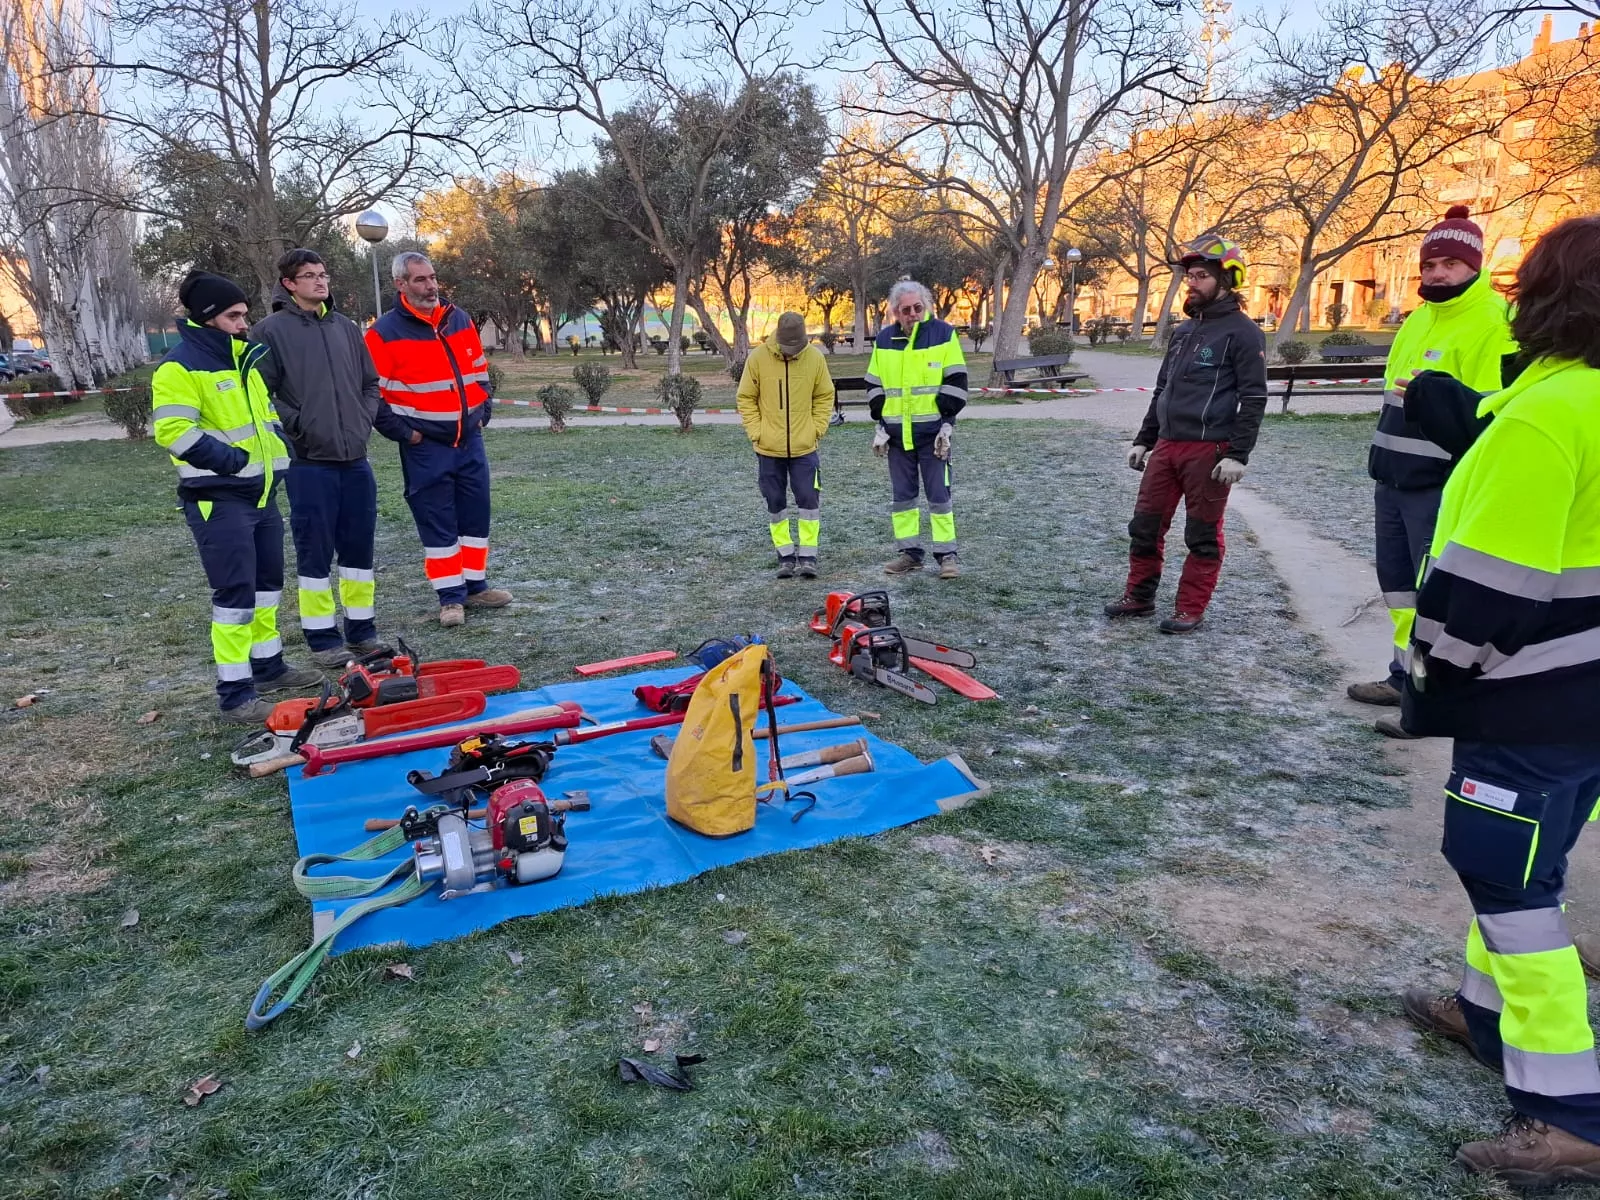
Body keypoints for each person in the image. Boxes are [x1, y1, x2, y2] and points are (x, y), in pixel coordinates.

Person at [1393, 215, 1600, 1186]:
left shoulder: (1546, 415)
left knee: (1503, 875)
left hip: (1534, 700)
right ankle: (1484, 1017)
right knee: (1529, 861)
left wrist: (1434, 675)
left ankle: (1567, 1110)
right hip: (1584, 698)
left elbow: (1488, 586)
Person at [1346, 206, 1517, 737]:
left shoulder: (1493, 321)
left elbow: (1489, 414)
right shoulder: (1419, 318)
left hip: (1440, 486)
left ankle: (1430, 701)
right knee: (1400, 591)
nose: (1437, 274)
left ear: (1474, 265)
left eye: (1450, 264)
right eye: (1430, 265)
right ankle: (1405, 677)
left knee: (1436, 597)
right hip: (1393, 479)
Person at [151, 271, 321, 721]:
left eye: (244, 313)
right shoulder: (179, 367)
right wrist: (230, 462)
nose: (244, 323)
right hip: (219, 499)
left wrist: (280, 447)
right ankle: (235, 694)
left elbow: (265, 419)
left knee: (266, 589)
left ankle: (268, 667)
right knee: (235, 598)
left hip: (262, 496)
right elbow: (172, 430)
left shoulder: (242, 359)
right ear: (208, 318)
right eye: (233, 316)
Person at [1104, 236, 1267, 633]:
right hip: (1166, 447)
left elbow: (1254, 398)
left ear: (1227, 280)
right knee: (1144, 526)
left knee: (1202, 534)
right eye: (1189, 276)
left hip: (1209, 451)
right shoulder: (1184, 331)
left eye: (1200, 276)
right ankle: (1139, 596)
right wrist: (1145, 439)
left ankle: (1189, 608)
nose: (1191, 283)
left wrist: (1237, 454)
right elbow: (1163, 389)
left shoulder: (1244, 333)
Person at [250, 249, 388, 668]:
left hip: (355, 459)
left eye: (323, 274)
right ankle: (322, 638)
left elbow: (370, 383)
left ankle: (362, 631)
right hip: (309, 463)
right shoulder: (269, 331)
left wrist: (363, 419)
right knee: (315, 552)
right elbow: (261, 395)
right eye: (309, 275)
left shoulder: (345, 327)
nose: (320, 281)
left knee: (358, 550)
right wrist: (299, 426)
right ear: (289, 284)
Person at [365, 252, 512, 627]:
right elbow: (372, 394)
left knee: (475, 517)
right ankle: (450, 598)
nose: (431, 286)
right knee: (438, 522)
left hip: (469, 440)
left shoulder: (458, 318)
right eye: (420, 280)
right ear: (400, 284)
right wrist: (406, 434)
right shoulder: (383, 332)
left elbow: (478, 369)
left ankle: (475, 587)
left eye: (432, 277)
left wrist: (483, 410)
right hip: (426, 447)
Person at [864, 280, 968, 579]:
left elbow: (957, 379)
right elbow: (873, 381)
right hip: (897, 437)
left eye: (917, 308)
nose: (912, 314)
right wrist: (880, 412)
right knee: (903, 500)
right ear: (896, 312)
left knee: (939, 498)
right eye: (906, 310)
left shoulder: (943, 334)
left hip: (933, 436)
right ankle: (909, 554)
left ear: (926, 307)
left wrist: (945, 416)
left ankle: (947, 555)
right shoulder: (884, 339)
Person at [736, 311, 835, 578]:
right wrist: (757, 432)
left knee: (809, 502)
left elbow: (825, 395)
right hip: (768, 450)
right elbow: (745, 397)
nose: (792, 353)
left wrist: (816, 429)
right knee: (775, 503)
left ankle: (808, 557)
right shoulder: (758, 358)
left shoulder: (815, 358)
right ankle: (785, 556)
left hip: (805, 449)